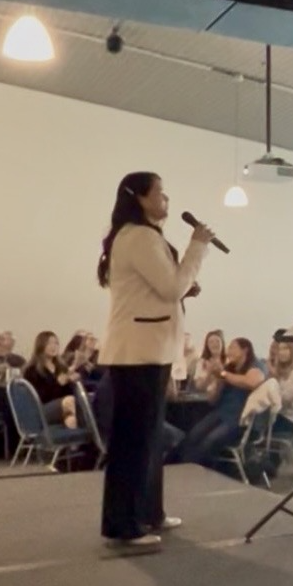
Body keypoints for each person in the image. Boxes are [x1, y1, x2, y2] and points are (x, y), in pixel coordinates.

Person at [97, 170, 214, 551]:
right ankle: (124, 525)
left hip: (149, 351)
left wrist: (183, 287)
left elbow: (159, 290)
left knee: (148, 439)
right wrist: (197, 247)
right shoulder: (139, 237)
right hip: (138, 354)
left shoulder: (143, 236)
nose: (166, 200)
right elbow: (170, 287)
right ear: (139, 198)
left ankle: (149, 512)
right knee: (133, 442)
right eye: (160, 193)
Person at [180, 338, 264, 467]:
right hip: (220, 412)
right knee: (193, 435)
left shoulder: (255, 366)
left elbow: (251, 382)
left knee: (209, 441)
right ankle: (181, 465)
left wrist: (223, 374)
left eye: (233, 348)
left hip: (238, 419)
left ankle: (195, 469)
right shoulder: (229, 368)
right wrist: (215, 376)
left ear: (245, 350)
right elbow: (212, 400)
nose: (229, 352)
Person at [24, 332, 80, 429]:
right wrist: (58, 384)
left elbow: (68, 393)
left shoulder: (61, 367)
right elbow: (39, 397)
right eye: (49, 343)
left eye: (56, 343)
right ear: (41, 346)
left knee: (71, 420)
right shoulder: (32, 370)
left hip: (64, 406)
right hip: (42, 409)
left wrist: (71, 382)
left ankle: (76, 436)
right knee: (70, 401)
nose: (54, 346)